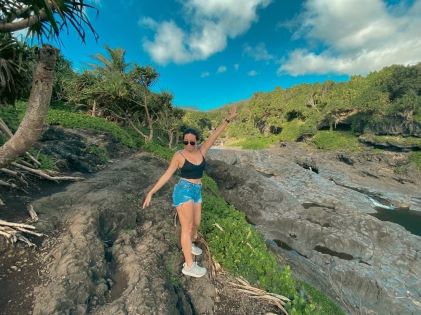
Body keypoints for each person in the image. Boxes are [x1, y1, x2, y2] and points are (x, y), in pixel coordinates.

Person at [142, 106, 237, 277]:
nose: (188, 145)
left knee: (196, 223)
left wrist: (228, 119)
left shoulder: (201, 150)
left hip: (197, 191)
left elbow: (215, 135)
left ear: (197, 142)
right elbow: (166, 175)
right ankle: (189, 265)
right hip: (183, 191)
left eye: (192, 142)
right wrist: (151, 192)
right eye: (185, 142)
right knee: (186, 228)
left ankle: (190, 244)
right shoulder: (179, 156)